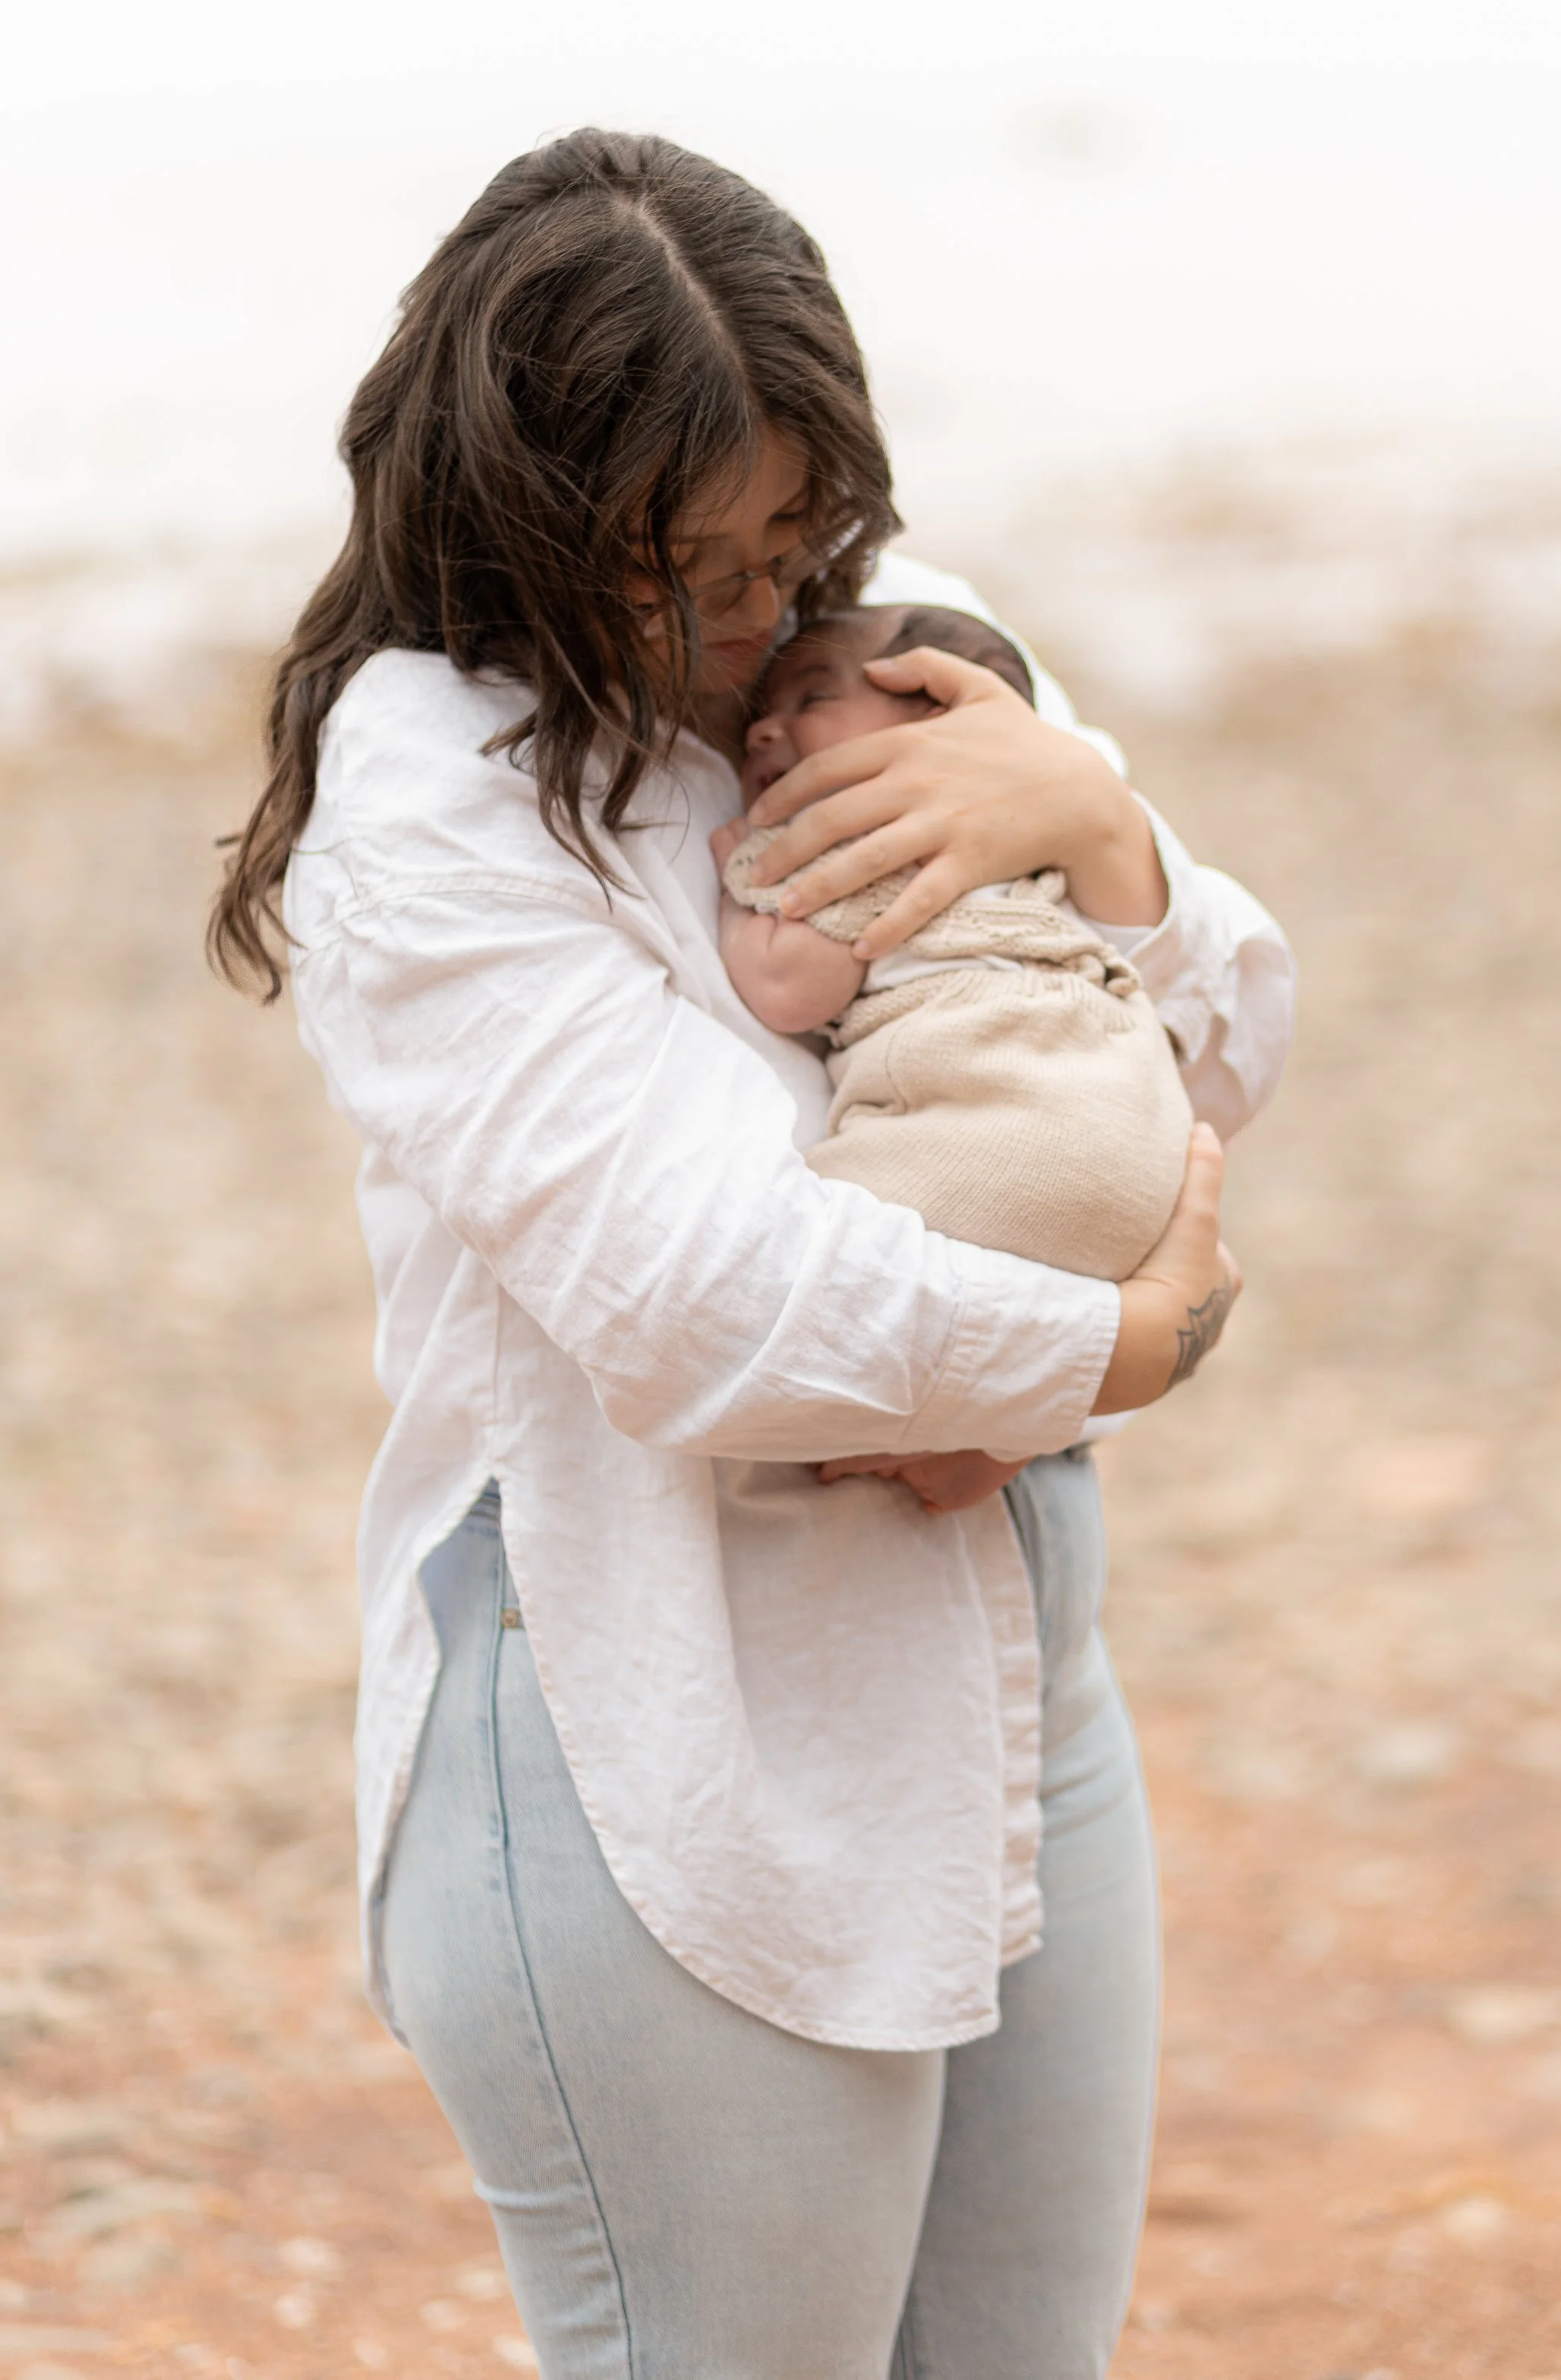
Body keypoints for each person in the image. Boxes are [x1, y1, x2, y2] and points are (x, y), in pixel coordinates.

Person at [210, 127, 1296, 2380]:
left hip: (999, 1688)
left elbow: (1185, 1056)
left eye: (784, 544)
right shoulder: (433, 799)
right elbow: (718, 1306)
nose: (742, 624)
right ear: (499, 517)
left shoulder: (888, 651)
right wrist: (1123, 1340)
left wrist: (1096, 822)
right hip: (650, 1738)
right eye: (669, 567)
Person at [716, 601, 1196, 1282]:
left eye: (814, 696)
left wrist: (741, 896)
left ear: (947, 720)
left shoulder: (859, 844)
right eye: (757, 716)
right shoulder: (1032, 835)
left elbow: (790, 989)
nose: (764, 730)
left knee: (800, 1253)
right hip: (1138, 1148)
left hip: (992, 1126)